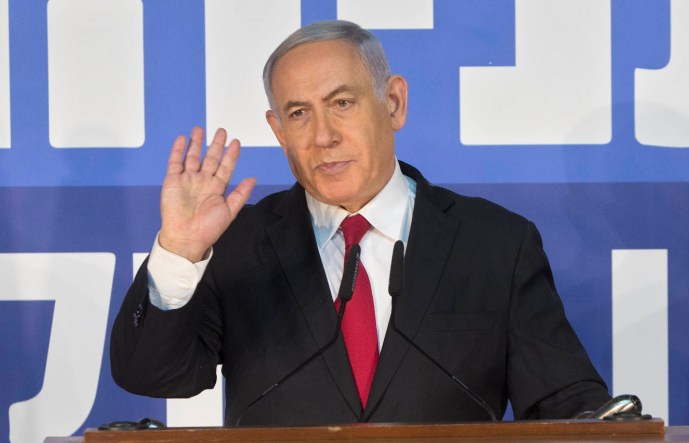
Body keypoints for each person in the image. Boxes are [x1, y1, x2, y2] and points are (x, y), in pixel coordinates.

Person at [111, 20, 611, 427]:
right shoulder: (236, 245)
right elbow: (152, 375)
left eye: (342, 103)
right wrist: (179, 251)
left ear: (393, 103)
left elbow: (566, 404)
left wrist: (607, 426)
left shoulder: (495, 244)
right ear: (278, 131)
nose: (323, 136)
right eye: (299, 113)